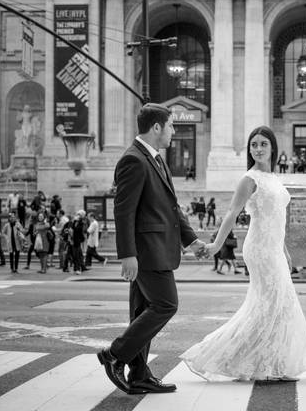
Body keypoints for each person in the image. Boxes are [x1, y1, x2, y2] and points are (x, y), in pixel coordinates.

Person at [181, 125, 306, 381]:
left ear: (273, 148)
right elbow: (232, 214)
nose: (257, 149)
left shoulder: (274, 178)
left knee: (278, 306)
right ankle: (229, 357)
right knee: (270, 305)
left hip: (274, 248)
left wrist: (285, 251)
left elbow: (277, 219)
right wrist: (215, 246)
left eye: (263, 144)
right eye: (254, 145)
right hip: (259, 249)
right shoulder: (250, 179)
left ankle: (275, 364)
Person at [97, 103, 207, 396]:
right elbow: (123, 211)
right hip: (147, 251)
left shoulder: (155, 159)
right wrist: (128, 254)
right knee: (166, 304)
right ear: (156, 127)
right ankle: (114, 355)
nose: (174, 131)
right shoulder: (133, 160)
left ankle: (139, 375)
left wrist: (192, 241)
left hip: (157, 247)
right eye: (171, 126)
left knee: (143, 311)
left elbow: (170, 209)